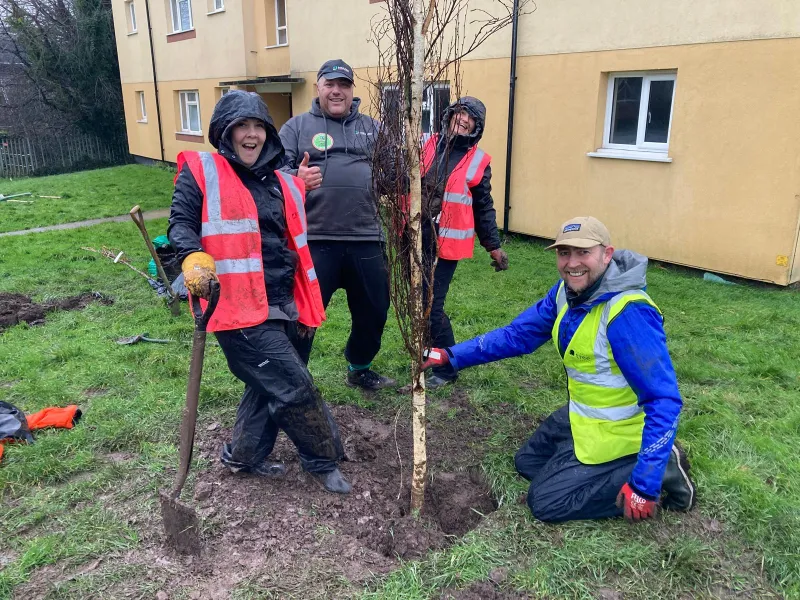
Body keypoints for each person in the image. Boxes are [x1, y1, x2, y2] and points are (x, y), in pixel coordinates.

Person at [421, 217, 696, 522]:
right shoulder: (566, 293)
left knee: (546, 502)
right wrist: (451, 355)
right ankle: (583, 464)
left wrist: (644, 485)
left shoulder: (627, 313)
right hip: (584, 415)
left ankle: (663, 467)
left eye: (583, 253)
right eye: (564, 253)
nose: (572, 263)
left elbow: (663, 400)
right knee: (527, 462)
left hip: (625, 430)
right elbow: (518, 335)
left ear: (607, 254)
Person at [167, 90, 350, 494]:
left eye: (258, 127)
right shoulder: (203, 171)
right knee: (293, 384)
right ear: (225, 133)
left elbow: (283, 230)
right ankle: (323, 458)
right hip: (237, 307)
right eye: (241, 127)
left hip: (286, 301)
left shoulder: (280, 181)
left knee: (268, 381)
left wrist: (300, 183)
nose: (251, 135)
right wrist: (193, 256)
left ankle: (244, 456)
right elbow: (180, 222)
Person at [278, 59, 395, 391]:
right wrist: (295, 177)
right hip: (315, 238)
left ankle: (360, 368)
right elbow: (273, 173)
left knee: (374, 310)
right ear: (318, 88)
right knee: (302, 314)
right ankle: (294, 378)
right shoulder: (296, 127)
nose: (337, 91)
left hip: (366, 236)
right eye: (330, 84)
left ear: (351, 90)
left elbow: (394, 173)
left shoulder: (373, 128)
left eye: (343, 85)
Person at [418, 96, 508, 389]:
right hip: (416, 238)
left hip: (446, 246)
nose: (463, 118)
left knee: (432, 306)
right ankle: (424, 353)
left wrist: (493, 246)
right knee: (418, 304)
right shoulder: (427, 145)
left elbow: (483, 206)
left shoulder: (478, 162)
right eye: (459, 112)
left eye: (470, 117)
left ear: (476, 126)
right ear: (449, 115)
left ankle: (447, 367)